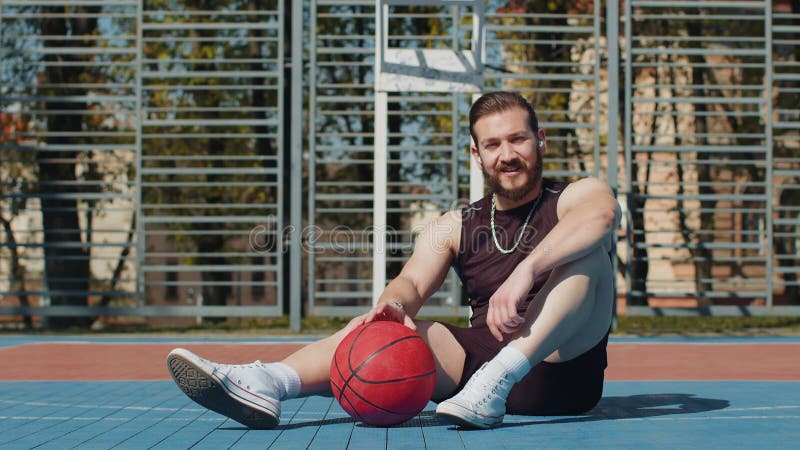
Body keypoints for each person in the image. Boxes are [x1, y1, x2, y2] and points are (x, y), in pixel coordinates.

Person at [166, 91, 620, 429]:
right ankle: (268, 383)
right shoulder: (454, 224)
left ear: (539, 141)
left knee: (589, 257)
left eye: (518, 139)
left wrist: (527, 269)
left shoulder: (575, 195)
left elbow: (602, 216)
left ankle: (499, 379)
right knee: (388, 328)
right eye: (493, 144)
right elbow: (412, 283)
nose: (507, 154)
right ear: (476, 154)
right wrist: (394, 306)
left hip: (561, 372)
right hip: (476, 375)